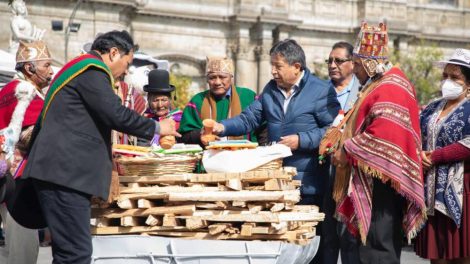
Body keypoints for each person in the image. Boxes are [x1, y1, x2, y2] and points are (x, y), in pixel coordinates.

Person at [19, 30, 179, 264]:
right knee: (76, 254)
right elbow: (116, 114)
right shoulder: (92, 70)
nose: (126, 71)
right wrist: (157, 128)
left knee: (68, 253)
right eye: (127, 63)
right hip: (64, 174)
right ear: (114, 53)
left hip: (61, 173)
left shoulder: (82, 68)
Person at [211, 39, 340, 263]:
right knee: (282, 243)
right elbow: (249, 118)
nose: (273, 71)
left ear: (296, 67)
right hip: (277, 182)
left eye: (278, 66)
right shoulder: (271, 89)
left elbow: (334, 129)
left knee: (309, 244)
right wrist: (222, 127)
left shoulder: (321, 90)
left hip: (309, 183)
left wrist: (301, 140)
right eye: (272, 65)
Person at [331, 22, 426, 264]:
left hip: (383, 181)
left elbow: (384, 135)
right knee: (369, 246)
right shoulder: (379, 82)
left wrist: (347, 149)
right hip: (373, 176)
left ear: (368, 62)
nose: (355, 70)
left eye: (358, 64)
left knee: (378, 247)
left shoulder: (391, 86)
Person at [415, 48, 470, 263]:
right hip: (431, 191)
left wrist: (435, 157)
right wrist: (418, 155)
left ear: (468, 83)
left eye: (455, 77)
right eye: (445, 76)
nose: (448, 81)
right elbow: (416, 135)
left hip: (461, 191)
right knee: (437, 256)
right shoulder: (431, 108)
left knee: (461, 256)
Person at [0, 40, 53, 264]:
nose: (51, 71)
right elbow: (28, 135)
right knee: (23, 252)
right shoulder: (26, 91)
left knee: (12, 251)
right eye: (46, 65)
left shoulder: (7, 90)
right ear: (30, 69)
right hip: (18, 182)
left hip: (6, 178)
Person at [322, 41, 360, 264]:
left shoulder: (362, 92)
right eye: (329, 61)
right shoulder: (320, 91)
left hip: (350, 174)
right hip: (323, 171)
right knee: (327, 235)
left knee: (349, 237)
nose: (332, 65)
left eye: (338, 60)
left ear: (353, 64)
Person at [179, 56, 258, 147]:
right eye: (212, 78)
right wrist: (199, 136)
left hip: (243, 157)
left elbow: (263, 129)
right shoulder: (197, 101)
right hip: (208, 158)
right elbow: (183, 136)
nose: (217, 82)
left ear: (231, 77)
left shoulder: (248, 97)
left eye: (222, 77)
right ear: (207, 79)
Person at [142, 69, 182, 146]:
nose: (160, 105)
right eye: (155, 100)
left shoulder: (180, 119)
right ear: (148, 100)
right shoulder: (143, 120)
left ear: (170, 100)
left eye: (164, 100)